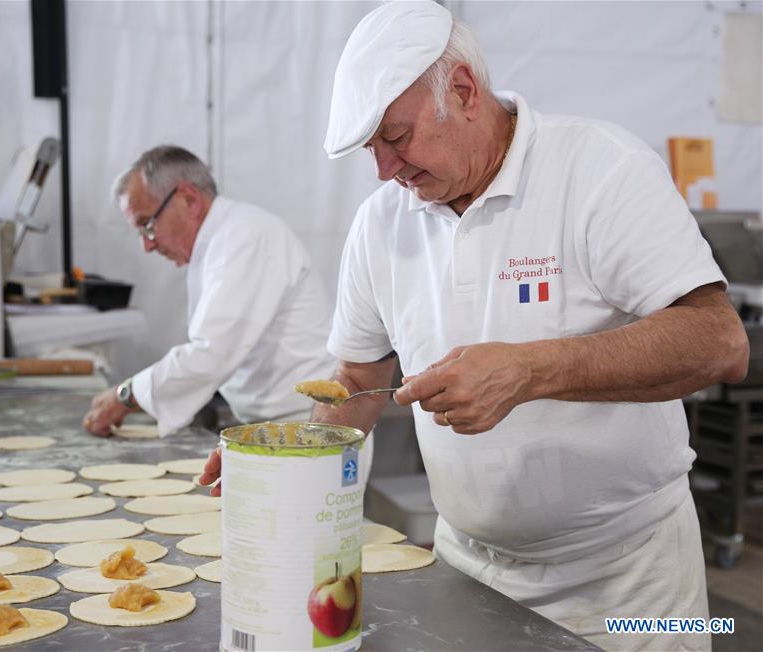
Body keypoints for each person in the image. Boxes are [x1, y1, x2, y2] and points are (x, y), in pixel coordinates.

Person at [202, 3, 749, 650]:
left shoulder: (600, 171)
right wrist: (289, 469)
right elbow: (357, 379)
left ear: (462, 92)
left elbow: (720, 343)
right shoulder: (382, 225)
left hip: (630, 581)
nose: (384, 170)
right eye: (370, 149)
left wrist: (530, 369)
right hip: (468, 567)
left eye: (396, 137)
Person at [82, 145, 337, 438]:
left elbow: (212, 352)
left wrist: (127, 395)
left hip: (312, 426)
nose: (147, 245)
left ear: (189, 200)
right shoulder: (224, 240)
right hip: (281, 423)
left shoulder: (244, 236)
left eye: (147, 226)